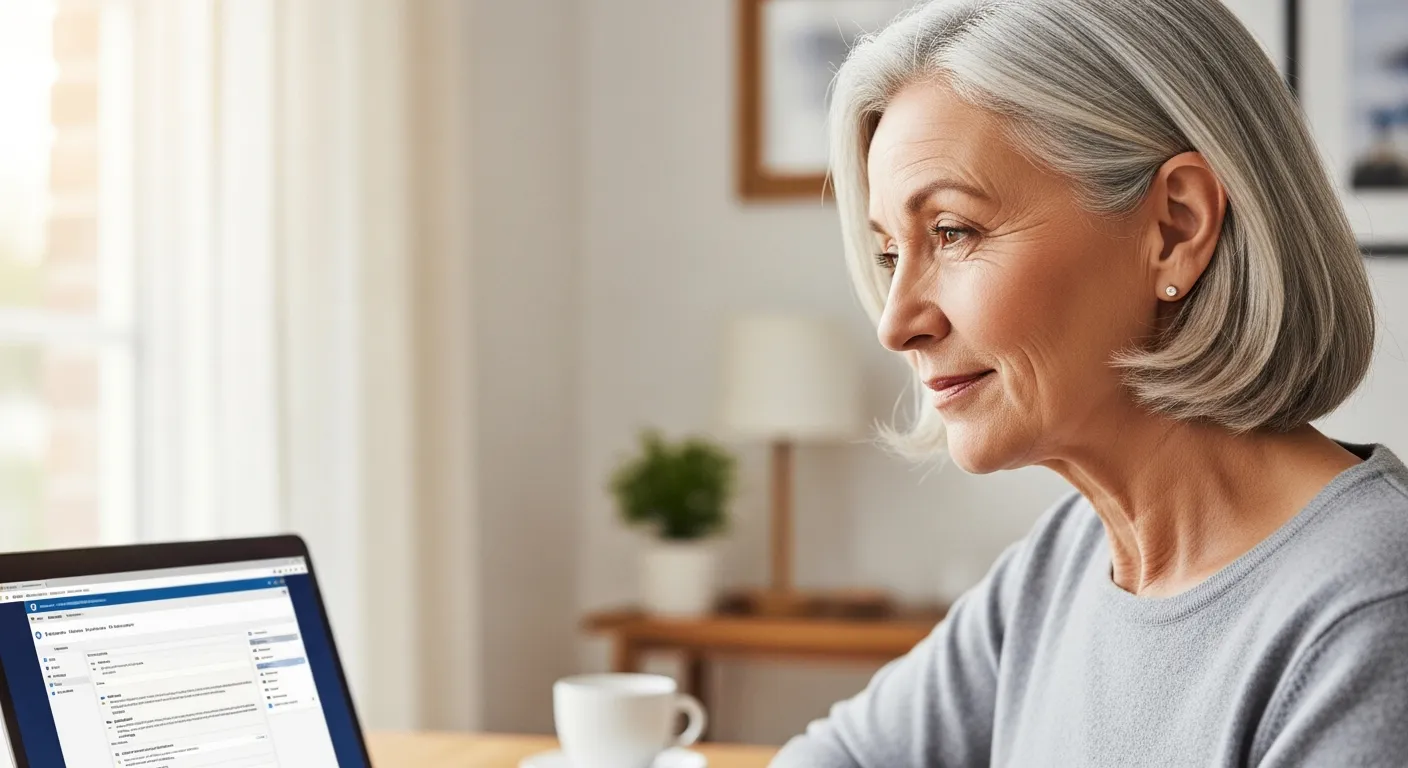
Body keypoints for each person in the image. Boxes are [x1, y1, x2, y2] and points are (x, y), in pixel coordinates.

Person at [771, 0, 1408, 765]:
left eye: (951, 231)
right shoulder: (1068, 562)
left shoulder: (1369, 612)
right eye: (887, 255)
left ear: (1176, 226)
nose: (897, 322)